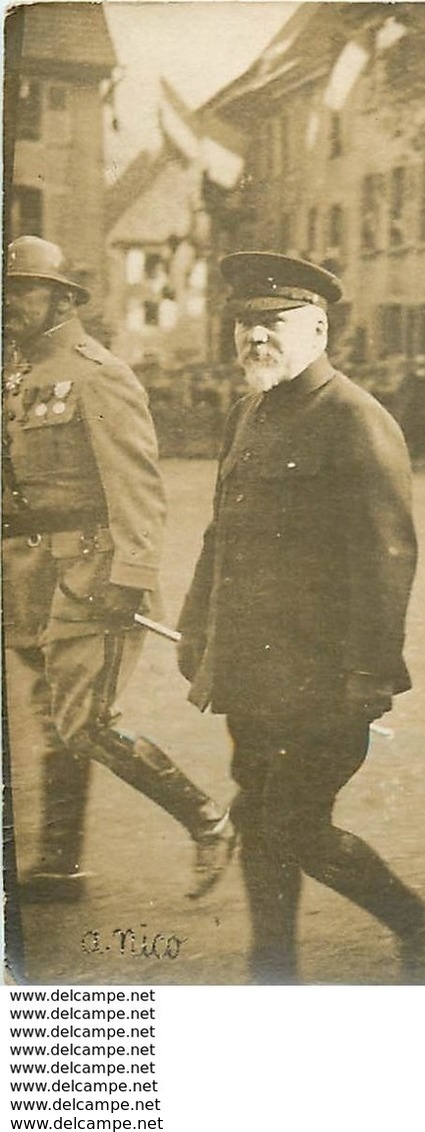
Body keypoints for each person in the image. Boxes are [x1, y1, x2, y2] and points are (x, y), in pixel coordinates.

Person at [176, 252, 425, 982]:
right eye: (244, 325)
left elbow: (387, 555)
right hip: (254, 668)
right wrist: (197, 627)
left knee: (295, 824)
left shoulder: (354, 418)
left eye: (273, 324)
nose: (254, 339)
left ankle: (417, 918)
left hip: (326, 673)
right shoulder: (248, 412)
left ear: (319, 328)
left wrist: (370, 671)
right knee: (259, 814)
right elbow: (219, 535)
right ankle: (273, 969)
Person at [1, 236, 235, 904]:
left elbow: (137, 485)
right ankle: (59, 865)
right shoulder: (16, 375)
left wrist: (128, 576)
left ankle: (208, 821)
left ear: (61, 297)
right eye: (5, 290)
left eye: (23, 289)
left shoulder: (98, 373)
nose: (9, 303)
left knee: (85, 722)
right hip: (29, 581)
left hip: (89, 575)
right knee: (59, 720)